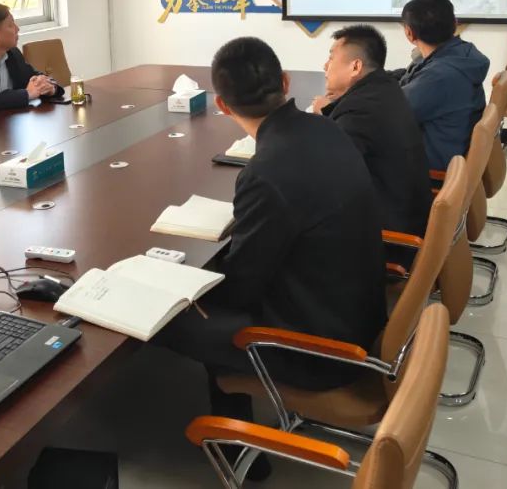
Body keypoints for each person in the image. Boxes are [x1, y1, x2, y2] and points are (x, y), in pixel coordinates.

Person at [154, 37, 386, 472]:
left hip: (323, 351)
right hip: (364, 317)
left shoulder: (266, 171)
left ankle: (240, 448)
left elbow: (240, 290)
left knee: (171, 319)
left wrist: (179, 285)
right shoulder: (326, 127)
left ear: (222, 105)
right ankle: (242, 439)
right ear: (284, 82)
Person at [312, 25, 432, 237]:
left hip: (389, 238)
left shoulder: (360, 112)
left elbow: (325, 176)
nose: (325, 66)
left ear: (355, 67)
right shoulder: (384, 89)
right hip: (403, 214)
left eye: (331, 58)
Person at [394, 0, 489, 172]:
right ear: (455, 23)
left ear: (409, 33)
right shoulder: (461, 53)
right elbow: (409, 77)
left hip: (430, 166)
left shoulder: (439, 76)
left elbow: (390, 114)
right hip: (449, 147)